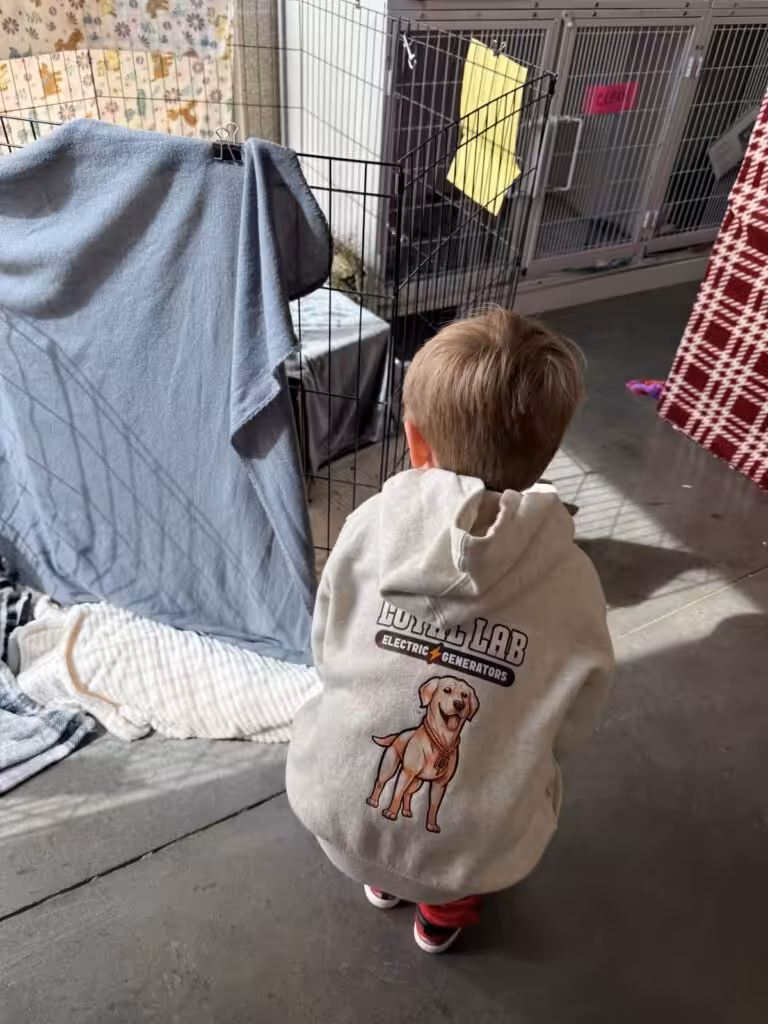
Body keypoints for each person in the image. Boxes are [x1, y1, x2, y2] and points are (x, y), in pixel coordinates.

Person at [287, 308, 614, 953]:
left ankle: (383, 880)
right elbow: (575, 724)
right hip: (474, 852)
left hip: (334, 816)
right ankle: (440, 917)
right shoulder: (574, 582)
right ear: (549, 454)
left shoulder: (369, 527)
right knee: (506, 786)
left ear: (416, 442)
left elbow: (325, 647)